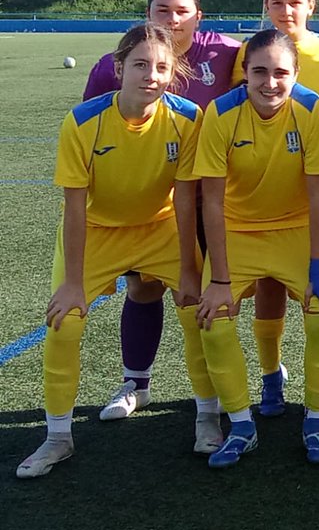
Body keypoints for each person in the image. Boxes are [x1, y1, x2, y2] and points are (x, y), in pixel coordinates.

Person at [17, 24, 217, 478]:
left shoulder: (187, 118)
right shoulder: (83, 120)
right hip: (96, 233)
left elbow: (185, 199)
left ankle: (207, 418)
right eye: (141, 64)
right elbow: (72, 204)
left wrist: (189, 269)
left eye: (162, 67)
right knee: (64, 324)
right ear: (119, 67)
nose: (151, 74)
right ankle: (57, 437)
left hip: (161, 229)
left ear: (174, 73)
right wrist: (72, 283)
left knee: (195, 312)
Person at [80, 0, 239, 424]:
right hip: (154, 204)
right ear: (147, 16)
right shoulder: (114, 66)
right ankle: (137, 382)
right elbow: (95, 132)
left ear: (198, 17)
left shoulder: (228, 52)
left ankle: (240, 383)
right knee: (144, 285)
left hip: (216, 196)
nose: (172, 20)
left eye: (181, 11)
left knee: (218, 292)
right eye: (161, 11)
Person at [194, 29, 319, 468]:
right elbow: (213, 201)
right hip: (239, 231)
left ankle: (315, 422)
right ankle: (241, 425)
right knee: (214, 319)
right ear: (245, 73)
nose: (270, 83)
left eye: (281, 72)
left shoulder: (312, 109)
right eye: (260, 71)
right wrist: (219, 279)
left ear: (296, 73)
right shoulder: (220, 114)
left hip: (298, 229)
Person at [231, 0, 319, 419]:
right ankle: (271, 376)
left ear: (311, 5)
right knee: (269, 284)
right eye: (277, 3)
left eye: (294, 2)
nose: (286, 11)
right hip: (263, 191)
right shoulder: (251, 52)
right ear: (266, 4)